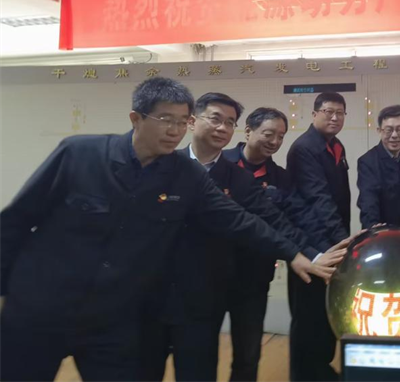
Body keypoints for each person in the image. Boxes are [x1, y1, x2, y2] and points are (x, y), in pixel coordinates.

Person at [0, 78, 333, 382]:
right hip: (40, 308)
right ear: (136, 118)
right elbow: (17, 219)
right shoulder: (79, 153)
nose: (175, 130)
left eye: (181, 121)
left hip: (110, 318)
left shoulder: (186, 175)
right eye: (166, 119)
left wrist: (295, 253)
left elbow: (238, 219)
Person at [139, 93, 348, 382]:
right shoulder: (165, 165)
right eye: (215, 119)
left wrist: (314, 254)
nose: (222, 128)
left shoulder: (246, 179)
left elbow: (283, 221)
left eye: (229, 122)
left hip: (249, 278)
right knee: (156, 358)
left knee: (238, 357)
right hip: (183, 284)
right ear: (192, 121)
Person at [221, 107, 296, 382]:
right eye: (268, 133)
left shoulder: (281, 177)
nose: (275, 141)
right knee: (200, 349)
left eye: (281, 136)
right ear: (248, 131)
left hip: (254, 276)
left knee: (249, 352)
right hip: (211, 274)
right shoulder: (220, 164)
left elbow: (285, 222)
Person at [285, 92, 351, 382]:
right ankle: (303, 376)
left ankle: (320, 372)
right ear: (314, 114)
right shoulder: (304, 148)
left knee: (325, 315)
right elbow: (319, 199)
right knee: (307, 318)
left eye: (340, 113)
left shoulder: (335, 145)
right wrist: (345, 242)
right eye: (328, 111)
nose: (334, 117)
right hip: (311, 247)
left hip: (330, 244)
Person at [356, 105, 400, 229]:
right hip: (380, 230)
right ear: (379, 131)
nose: (394, 135)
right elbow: (368, 200)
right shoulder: (367, 161)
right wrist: (373, 226)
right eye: (388, 130)